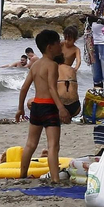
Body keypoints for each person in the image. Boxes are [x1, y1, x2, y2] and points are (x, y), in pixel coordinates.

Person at [20, 30, 68, 181]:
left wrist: (20, 108)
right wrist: (61, 107)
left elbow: (24, 88)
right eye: (58, 43)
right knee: (53, 145)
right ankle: (55, 179)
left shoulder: (35, 65)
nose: (61, 45)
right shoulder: (52, 65)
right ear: (50, 47)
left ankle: (22, 175)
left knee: (30, 144)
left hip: (36, 107)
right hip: (49, 107)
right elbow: (52, 88)